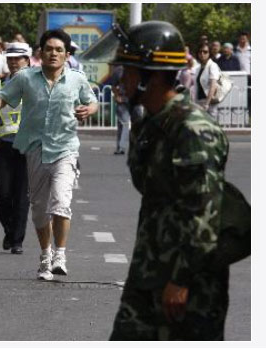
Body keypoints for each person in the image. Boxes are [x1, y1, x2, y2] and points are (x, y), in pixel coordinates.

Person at [107, 21, 231, 340]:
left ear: (153, 76)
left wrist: (181, 280)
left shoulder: (192, 130)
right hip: (150, 271)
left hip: (186, 284)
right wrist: (138, 124)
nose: (120, 79)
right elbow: (145, 186)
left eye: (129, 71)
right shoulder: (154, 123)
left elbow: (204, 215)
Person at [0, 29, 98, 280]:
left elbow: (92, 101)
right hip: (34, 149)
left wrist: (89, 108)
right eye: (49, 49)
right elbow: (3, 97)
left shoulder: (77, 79)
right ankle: (45, 255)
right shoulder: (25, 77)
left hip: (65, 149)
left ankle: (60, 255)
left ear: (67, 55)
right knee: (39, 209)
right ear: (40, 53)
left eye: (59, 50)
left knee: (61, 203)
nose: (53, 54)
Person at [0, 42, 33, 255]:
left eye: (18, 58)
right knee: (2, 193)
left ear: (27, 61)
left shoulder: (36, 85)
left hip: (29, 145)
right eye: (10, 58)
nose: (14, 62)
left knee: (22, 195)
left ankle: (17, 240)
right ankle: (10, 229)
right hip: (5, 144)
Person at [192, 42, 221, 119]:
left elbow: (213, 85)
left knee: (211, 128)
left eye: (205, 52)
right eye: (200, 51)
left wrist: (207, 103)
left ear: (209, 53)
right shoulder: (198, 68)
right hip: (199, 102)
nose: (202, 54)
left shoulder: (213, 66)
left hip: (209, 104)